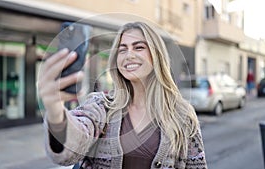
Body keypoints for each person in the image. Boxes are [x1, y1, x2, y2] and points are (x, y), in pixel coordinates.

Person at [38, 21, 208, 169]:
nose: (129, 55)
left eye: (139, 47)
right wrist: (55, 111)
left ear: (156, 55)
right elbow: (70, 152)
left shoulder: (183, 115)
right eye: (122, 49)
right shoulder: (101, 106)